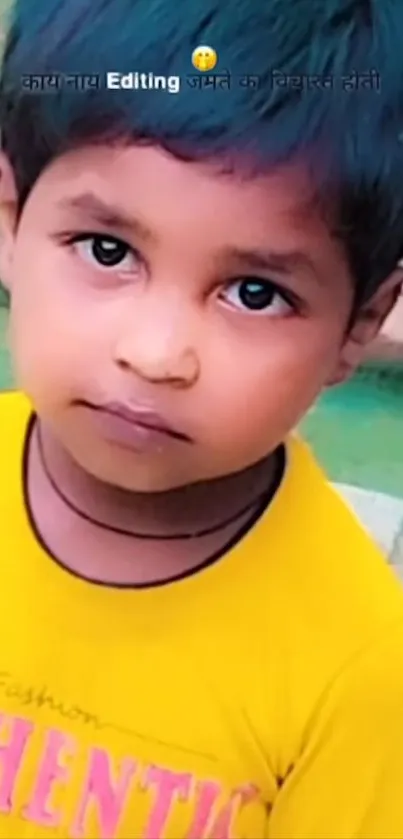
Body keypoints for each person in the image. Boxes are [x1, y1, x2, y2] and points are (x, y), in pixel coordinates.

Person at [0, 0, 403, 836]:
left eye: (255, 293)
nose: (156, 353)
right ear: (10, 218)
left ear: (358, 326)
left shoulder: (360, 665)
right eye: (107, 250)